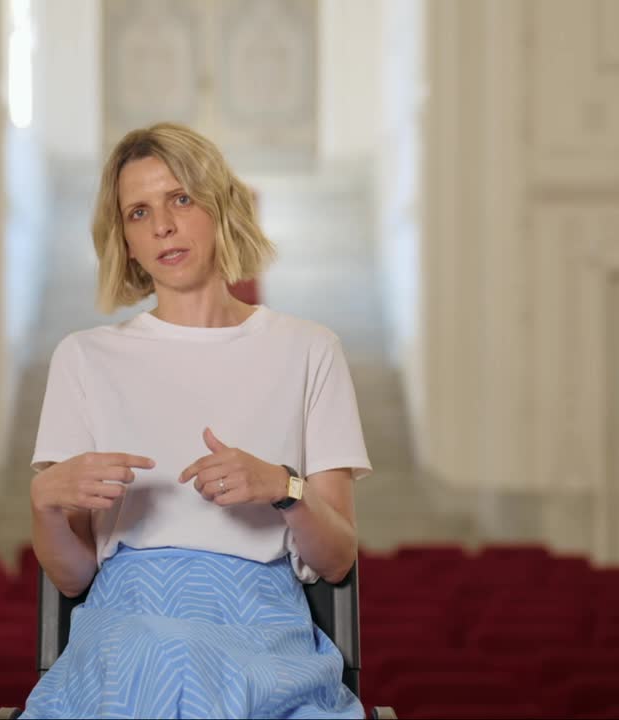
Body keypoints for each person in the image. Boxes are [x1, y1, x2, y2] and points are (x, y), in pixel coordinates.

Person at [21, 122, 373, 719]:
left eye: (180, 198)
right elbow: (75, 577)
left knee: (184, 662)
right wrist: (43, 504)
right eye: (138, 212)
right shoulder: (83, 358)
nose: (161, 225)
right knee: (159, 655)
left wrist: (285, 488)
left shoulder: (311, 349)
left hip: (262, 629)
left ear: (220, 207)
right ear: (126, 241)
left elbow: (337, 558)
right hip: (123, 628)